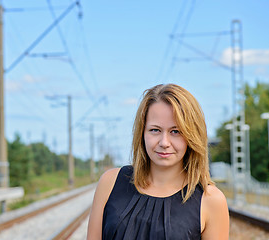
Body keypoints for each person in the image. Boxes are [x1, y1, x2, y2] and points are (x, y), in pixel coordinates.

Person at [87, 83, 229, 239]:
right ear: (142, 133)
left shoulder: (211, 200)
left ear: (192, 135)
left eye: (176, 131)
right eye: (155, 130)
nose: (164, 142)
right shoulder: (110, 183)